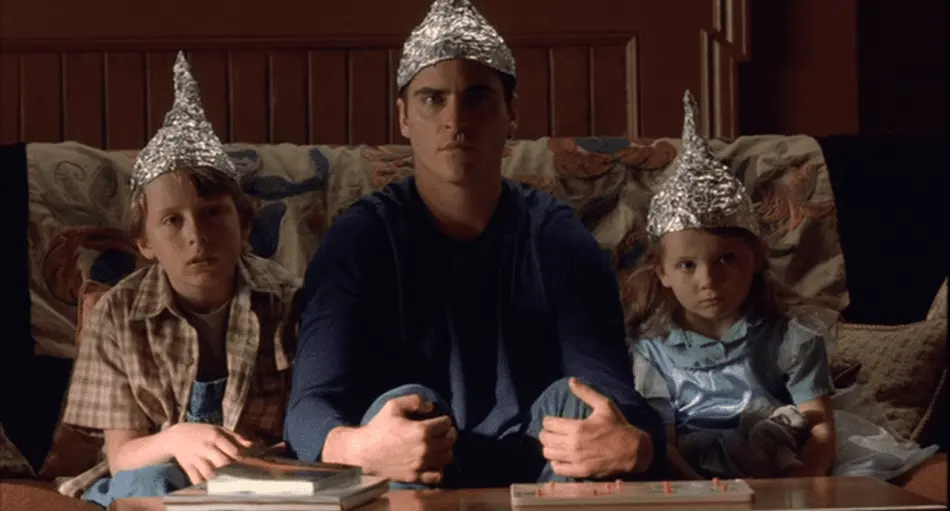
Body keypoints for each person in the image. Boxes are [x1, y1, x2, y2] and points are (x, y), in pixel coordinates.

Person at [284, 0, 665, 489]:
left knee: (577, 403)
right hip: (414, 468)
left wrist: (636, 445)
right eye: (433, 99)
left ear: (511, 113)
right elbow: (308, 406)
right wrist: (356, 448)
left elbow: (614, 403)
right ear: (403, 116)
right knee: (404, 403)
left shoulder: (558, 240)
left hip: (542, 470)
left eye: (477, 97)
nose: (455, 119)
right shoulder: (359, 240)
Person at [626, 90, 939, 481]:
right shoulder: (651, 352)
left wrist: (799, 487)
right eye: (687, 265)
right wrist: (703, 492)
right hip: (693, 472)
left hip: (786, 460)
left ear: (756, 259)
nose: (708, 281)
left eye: (727, 259)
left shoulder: (792, 339)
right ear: (662, 273)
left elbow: (820, 430)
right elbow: (664, 443)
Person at [57, 51, 301, 508]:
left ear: (245, 226)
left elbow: (306, 421)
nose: (196, 236)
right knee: (153, 482)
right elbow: (122, 456)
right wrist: (177, 438)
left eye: (212, 214)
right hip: (153, 472)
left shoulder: (286, 300)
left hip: (254, 475)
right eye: (173, 220)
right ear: (144, 241)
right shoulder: (118, 315)